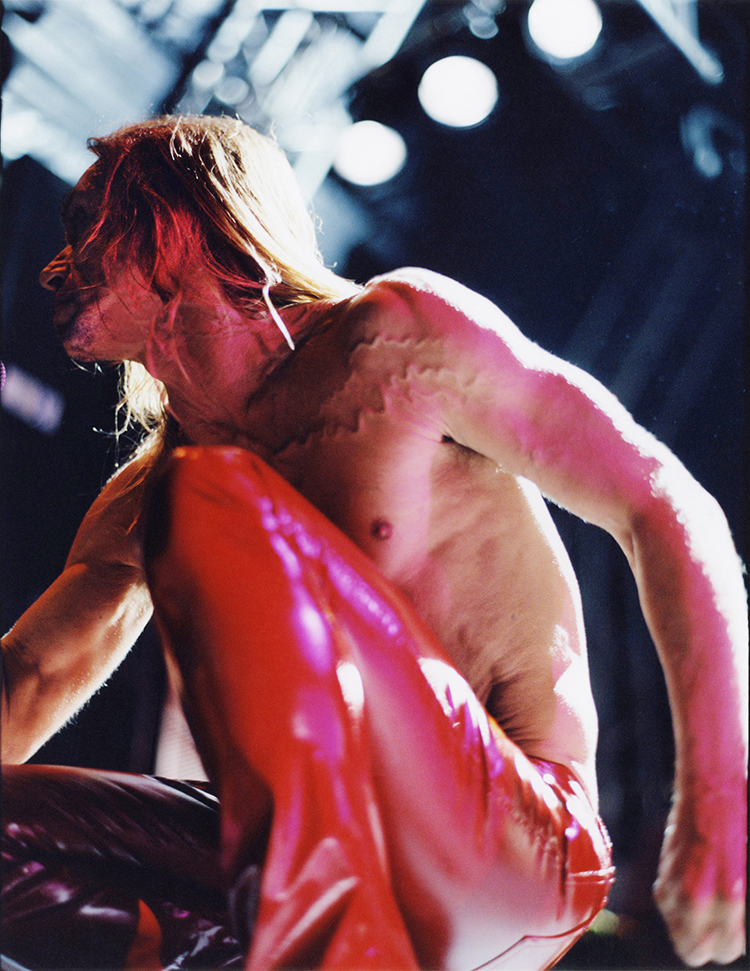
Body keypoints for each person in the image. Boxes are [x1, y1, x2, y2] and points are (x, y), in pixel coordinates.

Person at [1, 115, 746, 971]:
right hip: (319, 867)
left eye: (86, 223)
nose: (57, 266)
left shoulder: (393, 340)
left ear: (179, 215)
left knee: (206, 497)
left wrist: (718, 802)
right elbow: (31, 675)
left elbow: (662, 501)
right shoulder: (147, 493)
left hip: (515, 856)